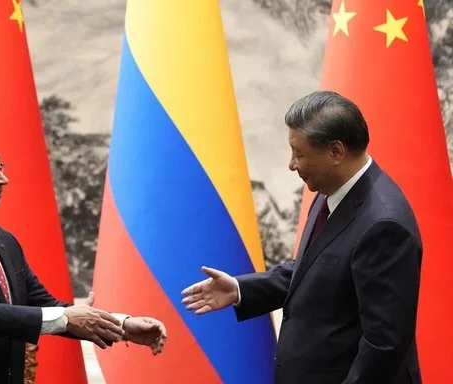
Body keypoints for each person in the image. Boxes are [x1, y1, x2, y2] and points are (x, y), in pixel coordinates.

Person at [181, 91, 422, 384]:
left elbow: (384, 346)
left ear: (336, 152)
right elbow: (312, 270)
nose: (292, 165)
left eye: (299, 153)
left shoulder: (383, 226)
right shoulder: (330, 193)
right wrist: (240, 289)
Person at [0, 127, 167, 384]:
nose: (3, 179)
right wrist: (67, 318)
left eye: (0, 168)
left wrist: (122, 324)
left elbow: (43, 303)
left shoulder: (2, 240)